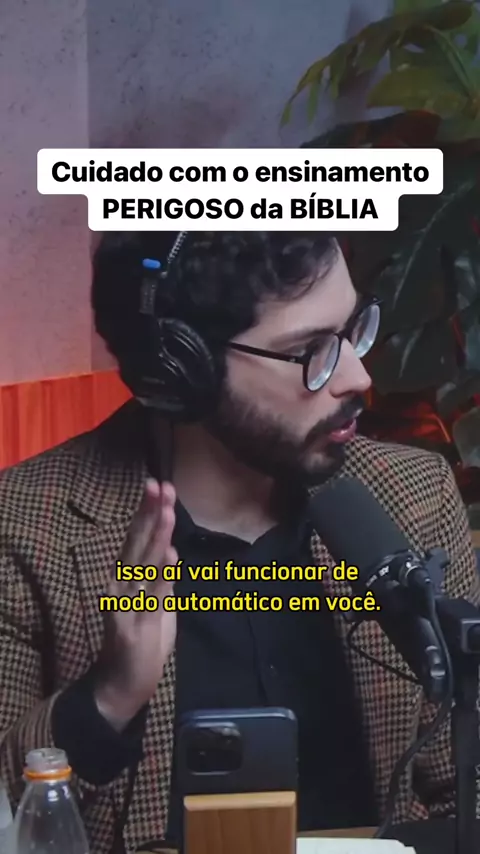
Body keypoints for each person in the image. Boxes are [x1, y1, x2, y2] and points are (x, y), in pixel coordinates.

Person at [0, 230, 478, 854]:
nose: (358, 377)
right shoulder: (26, 525)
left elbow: (463, 784)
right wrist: (109, 696)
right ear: (182, 370)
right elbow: (8, 809)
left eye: (351, 330)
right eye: (308, 350)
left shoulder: (413, 494)